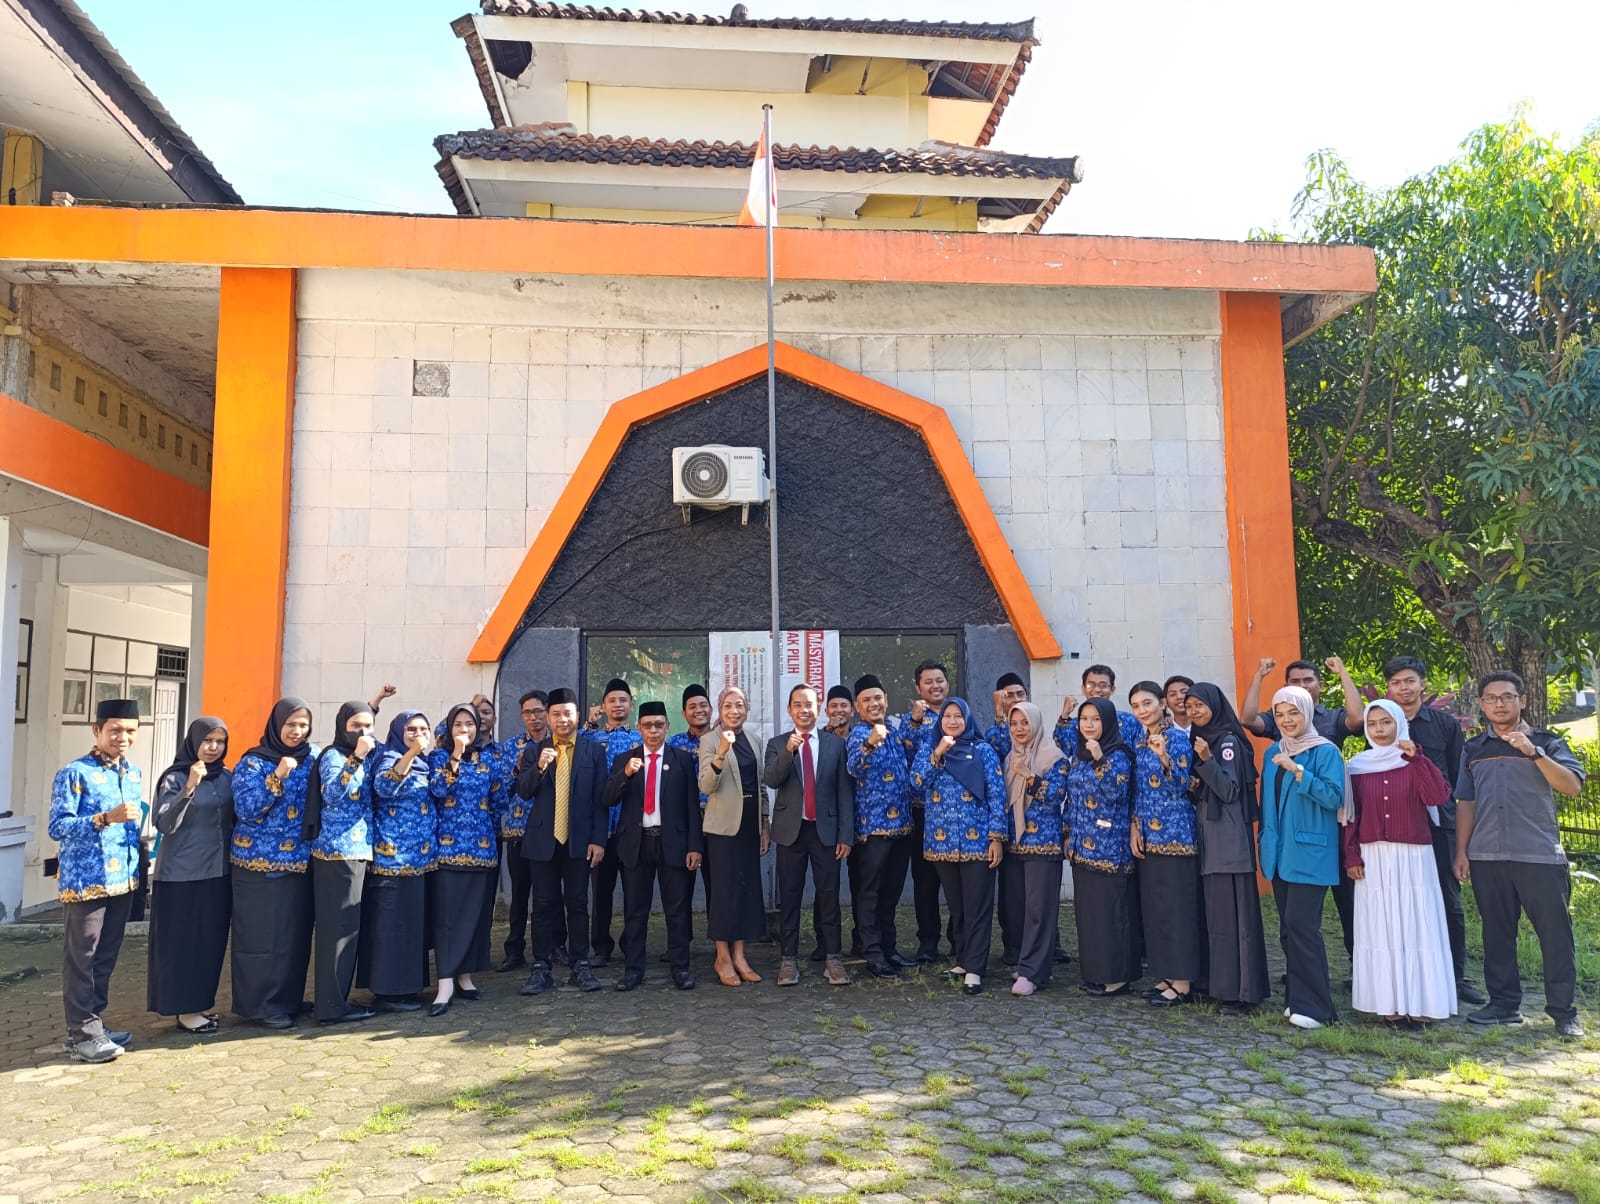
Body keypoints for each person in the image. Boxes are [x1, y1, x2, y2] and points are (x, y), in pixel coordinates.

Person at [1454, 671, 1586, 1037]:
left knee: (1555, 936)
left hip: (1539, 856)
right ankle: (1503, 1005)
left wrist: (1534, 753)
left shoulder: (1547, 742)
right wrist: (1461, 852)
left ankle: (1563, 1013)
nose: (1500, 703)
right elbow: (1467, 802)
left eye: (1507, 697)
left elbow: (1572, 786)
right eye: (1492, 698)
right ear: (1482, 704)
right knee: (1497, 934)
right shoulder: (1473, 749)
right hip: (1486, 857)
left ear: (1522, 701)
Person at [1342, 700, 1456, 1029]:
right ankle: (1388, 1004)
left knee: (1416, 924)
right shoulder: (1358, 766)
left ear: (1399, 725)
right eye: (1373, 724)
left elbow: (1438, 796)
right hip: (1373, 856)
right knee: (1382, 927)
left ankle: (1421, 1003)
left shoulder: (1415, 760)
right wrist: (1352, 854)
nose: (1379, 730)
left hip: (1413, 857)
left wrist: (1416, 759)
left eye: (1386, 723)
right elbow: (1350, 816)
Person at [1378, 655, 1483, 1006]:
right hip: (1396, 829)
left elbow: (1458, 780)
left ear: (1422, 684)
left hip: (1439, 826)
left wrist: (1461, 843)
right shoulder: (1381, 724)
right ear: (1388, 688)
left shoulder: (1444, 725)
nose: (1403, 688)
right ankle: (1410, 974)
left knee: (1448, 900)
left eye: (1409, 681)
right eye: (1396, 683)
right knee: (1402, 900)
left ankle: (1456, 977)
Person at [1242, 656, 1360, 966]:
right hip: (1288, 839)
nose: (1287, 719)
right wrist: (1258, 676)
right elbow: (1248, 719)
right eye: (1294, 681)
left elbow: (1357, 720)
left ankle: (1359, 974)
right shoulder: (1276, 747)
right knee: (1292, 923)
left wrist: (1343, 672)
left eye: (1308, 680)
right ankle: (1299, 984)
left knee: (1342, 910)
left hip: (1326, 832)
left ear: (1319, 685)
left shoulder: (1329, 729)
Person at [49, 698, 144, 1062]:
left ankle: (94, 1027)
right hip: (85, 881)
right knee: (82, 959)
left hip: (122, 881)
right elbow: (58, 826)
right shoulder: (75, 773)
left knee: (105, 958)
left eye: (131, 731)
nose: (123, 737)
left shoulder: (131, 773)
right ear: (97, 730)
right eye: (115, 730)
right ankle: (81, 1034)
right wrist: (105, 818)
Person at [1259, 685, 1347, 1030]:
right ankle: (1296, 998)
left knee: (1303, 926)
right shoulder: (1272, 753)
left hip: (1311, 852)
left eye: (1293, 713)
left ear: (1307, 713)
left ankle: (1318, 1007)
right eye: (1279, 715)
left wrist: (1299, 771)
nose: (1286, 720)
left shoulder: (1325, 752)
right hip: (1279, 851)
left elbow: (1334, 797)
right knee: (1287, 929)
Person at [603, 700, 703, 991]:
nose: (653, 730)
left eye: (659, 725)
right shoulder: (626, 759)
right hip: (637, 843)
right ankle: (633, 971)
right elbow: (607, 798)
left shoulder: (682, 759)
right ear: (639, 728)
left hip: (673, 842)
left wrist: (694, 846)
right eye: (647, 725)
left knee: (677, 909)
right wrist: (626, 775)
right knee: (636, 910)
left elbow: (690, 806)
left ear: (668, 726)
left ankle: (681, 969)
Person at [230, 697, 317, 1030]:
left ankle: (288, 999)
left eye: (303, 725)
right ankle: (262, 1006)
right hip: (258, 865)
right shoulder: (254, 762)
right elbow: (248, 809)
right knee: (262, 939)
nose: (296, 731)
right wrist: (277, 776)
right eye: (290, 724)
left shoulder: (311, 760)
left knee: (292, 938)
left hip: (299, 861)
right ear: (276, 724)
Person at [911, 697, 1006, 995]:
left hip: (978, 842)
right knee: (958, 907)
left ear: (967, 720)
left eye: (958, 716)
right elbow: (914, 784)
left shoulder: (984, 751)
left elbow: (997, 796)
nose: (952, 721)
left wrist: (996, 838)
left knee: (977, 907)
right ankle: (965, 959)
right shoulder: (930, 749)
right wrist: (937, 753)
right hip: (942, 843)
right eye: (947, 717)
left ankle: (976, 969)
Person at [517, 688, 608, 996]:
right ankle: (541, 966)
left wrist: (599, 840)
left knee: (578, 903)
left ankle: (580, 963)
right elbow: (524, 791)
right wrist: (540, 766)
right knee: (542, 905)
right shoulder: (534, 750)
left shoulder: (593, 751)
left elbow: (600, 800)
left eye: (567, 713)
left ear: (577, 715)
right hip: (543, 840)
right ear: (548, 717)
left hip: (579, 841)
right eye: (555, 714)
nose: (562, 719)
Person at [1185, 683, 1269, 1016]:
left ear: (1215, 706)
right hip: (1213, 841)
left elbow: (1230, 790)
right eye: (1189, 706)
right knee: (1218, 919)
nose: (1193, 711)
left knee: (1236, 922)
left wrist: (1205, 761)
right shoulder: (1205, 740)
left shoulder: (1227, 742)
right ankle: (1221, 986)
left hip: (1229, 844)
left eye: (1199, 705)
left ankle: (1242, 992)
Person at [764, 684, 855, 987]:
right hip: (791, 832)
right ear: (790, 710)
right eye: (798, 705)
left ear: (819, 709)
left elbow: (844, 792)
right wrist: (789, 752)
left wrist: (846, 835)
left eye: (810, 704)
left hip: (826, 832)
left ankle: (833, 958)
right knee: (790, 896)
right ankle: (788, 959)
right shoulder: (778, 744)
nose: (805, 710)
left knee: (829, 896)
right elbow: (772, 780)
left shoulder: (834, 745)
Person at [148, 717, 233, 1035]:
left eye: (220, 741)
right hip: (180, 876)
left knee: (209, 944)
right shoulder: (175, 777)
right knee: (182, 946)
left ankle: (200, 1005)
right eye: (207, 740)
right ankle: (183, 1010)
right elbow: (164, 824)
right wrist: (189, 788)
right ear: (193, 741)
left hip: (218, 872)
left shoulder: (226, 776)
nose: (213, 747)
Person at [302, 702, 378, 1025]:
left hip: (358, 852)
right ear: (341, 726)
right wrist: (357, 757)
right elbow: (334, 794)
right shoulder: (334, 756)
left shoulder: (362, 752)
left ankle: (335, 1001)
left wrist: (376, 702)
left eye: (368, 726)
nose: (362, 733)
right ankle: (332, 1006)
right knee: (338, 932)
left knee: (348, 930)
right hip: (338, 854)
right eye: (355, 726)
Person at [426, 704, 504, 1016]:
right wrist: (455, 756)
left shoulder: (490, 761)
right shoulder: (437, 758)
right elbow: (438, 790)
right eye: (458, 724)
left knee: (475, 917)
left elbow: (499, 801)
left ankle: (465, 976)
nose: (465, 730)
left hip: (482, 850)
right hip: (447, 851)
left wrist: (487, 832)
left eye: (469, 724)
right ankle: (444, 982)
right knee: (448, 918)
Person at [1127, 682, 1200, 1007]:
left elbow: (1186, 785)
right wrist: (1134, 827)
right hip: (1148, 836)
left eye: (1147, 703)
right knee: (1155, 909)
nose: (1143, 710)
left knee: (1176, 909)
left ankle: (1182, 981)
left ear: (1161, 703)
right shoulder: (1138, 742)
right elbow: (1137, 791)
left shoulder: (1179, 740)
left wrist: (1165, 757)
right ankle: (1166, 974)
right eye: (1136, 705)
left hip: (1176, 836)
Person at [361, 710, 436, 1012]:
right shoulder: (389, 757)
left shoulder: (426, 763)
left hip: (420, 859)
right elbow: (385, 787)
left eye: (422, 728)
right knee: (391, 927)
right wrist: (412, 752)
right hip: (392, 858)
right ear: (397, 733)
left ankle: (408, 988)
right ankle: (387, 992)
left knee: (411, 927)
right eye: (410, 729)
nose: (416, 734)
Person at [1063, 698, 1139, 997]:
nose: (1089, 725)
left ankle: (1117, 978)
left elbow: (1116, 793)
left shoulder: (1118, 755)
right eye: (1084, 719)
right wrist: (1068, 834)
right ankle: (1095, 974)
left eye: (1095, 719)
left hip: (1110, 848)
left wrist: (1099, 760)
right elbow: (1072, 796)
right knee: (1089, 915)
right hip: (1082, 848)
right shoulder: (1078, 755)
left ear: (1107, 722)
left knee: (1112, 914)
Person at [845, 675, 917, 979]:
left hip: (902, 827)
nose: (874, 704)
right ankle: (872, 952)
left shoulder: (896, 731)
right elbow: (853, 766)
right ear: (857, 707)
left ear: (886, 700)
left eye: (878, 698)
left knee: (891, 894)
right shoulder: (858, 734)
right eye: (866, 700)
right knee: (870, 894)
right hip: (872, 831)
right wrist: (869, 745)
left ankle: (889, 947)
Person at [698, 686, 770, 986]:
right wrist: (721, 754)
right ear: (719, 709)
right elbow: (705, 785)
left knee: (745, 891)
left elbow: (762, 785)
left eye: (739, 705)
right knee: (724, 893)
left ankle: (740, 955)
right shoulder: (709, 740)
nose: (734, 711)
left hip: (749, 828)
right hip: (722, 829)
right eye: (728, 706)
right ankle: (722, 957)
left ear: (747, 709)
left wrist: (764, 824)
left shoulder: (754, 740)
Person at [1001, 702, 1067, 997]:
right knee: (1018, 909)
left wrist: (1029, 775)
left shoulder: (1053, 757)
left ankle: (1033, 972)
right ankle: (1028, 963)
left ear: (1036, 724)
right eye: (1014, 723)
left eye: (1024, 723)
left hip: (1044, 843)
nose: (1019, 729)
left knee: (1039, 909)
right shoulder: (1009, 757)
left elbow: (1057, 795)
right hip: (1015, 843)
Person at [583, 678, 642, 968]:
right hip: (601, 829)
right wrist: (588, 724)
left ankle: (632, 944)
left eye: (623, 700)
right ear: (604, 706)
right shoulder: (592, 740)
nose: (618, 705)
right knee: (601, 892)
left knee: (634, 891)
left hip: (632, 828)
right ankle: (601, 947)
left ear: (631, 706)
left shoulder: (642, 739)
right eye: (612, 701)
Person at [900, 661, 954, 965]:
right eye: (928, 682)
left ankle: (958, 940)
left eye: (940, 680)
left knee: (955, 881)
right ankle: (928, 943)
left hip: (953, 811)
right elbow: (906, 757)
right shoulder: (911, 722)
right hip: (922, 812)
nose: (936, 686)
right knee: (925, 882)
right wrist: (917, 721)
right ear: (918, 688)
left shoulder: (958, 715)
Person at [498, 689, 548, 973]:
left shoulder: (557, 745)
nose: (534, 718)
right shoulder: (510, 748)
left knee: (549, 894)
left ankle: (555, 945)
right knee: (519, 894)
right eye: (528, 713)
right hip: (518, 831)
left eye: (538, 711)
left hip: (549, 831)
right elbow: (502, 792)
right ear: (521, 716)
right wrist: (519, 772)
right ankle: (514, 949)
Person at [667, 683, 715, 949]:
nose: (699, 710)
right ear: (684, 713)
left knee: (716, 885)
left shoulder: (722, 739)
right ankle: (679, 943)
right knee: (680, 888)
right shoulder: (674, 745)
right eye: (692, 707)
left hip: (716, 822)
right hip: (685, 824)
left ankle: (720, 942)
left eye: (703, 705)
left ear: (710, 709)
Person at [821, 683, 862, 957]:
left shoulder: (860, 737)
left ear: (852, 710)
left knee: (861, 885)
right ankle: (823, 944)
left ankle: (862, 940)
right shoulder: (818, 739)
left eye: (843, 706)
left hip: (863, 821)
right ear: (826, 710)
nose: (838, 710)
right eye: (833, 706)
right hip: (827, 822)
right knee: (827, 886)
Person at [1054, 664, 1143, 756]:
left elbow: (1140, 756)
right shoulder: (1076, 724)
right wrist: (1064, 715)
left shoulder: (1129, 721)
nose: (1097, 690)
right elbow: (1060, 752)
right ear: (1083, 689)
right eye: (1090, 685)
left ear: (1112, 689)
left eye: (1103, 685)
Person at [984, 672, 1030, 758]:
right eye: (1009, 696)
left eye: (1020, 694)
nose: (1016, 699)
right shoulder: (992, 733)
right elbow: (1005, 750)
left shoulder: (1036, 728)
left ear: (1027, 697)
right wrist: (999, 712)